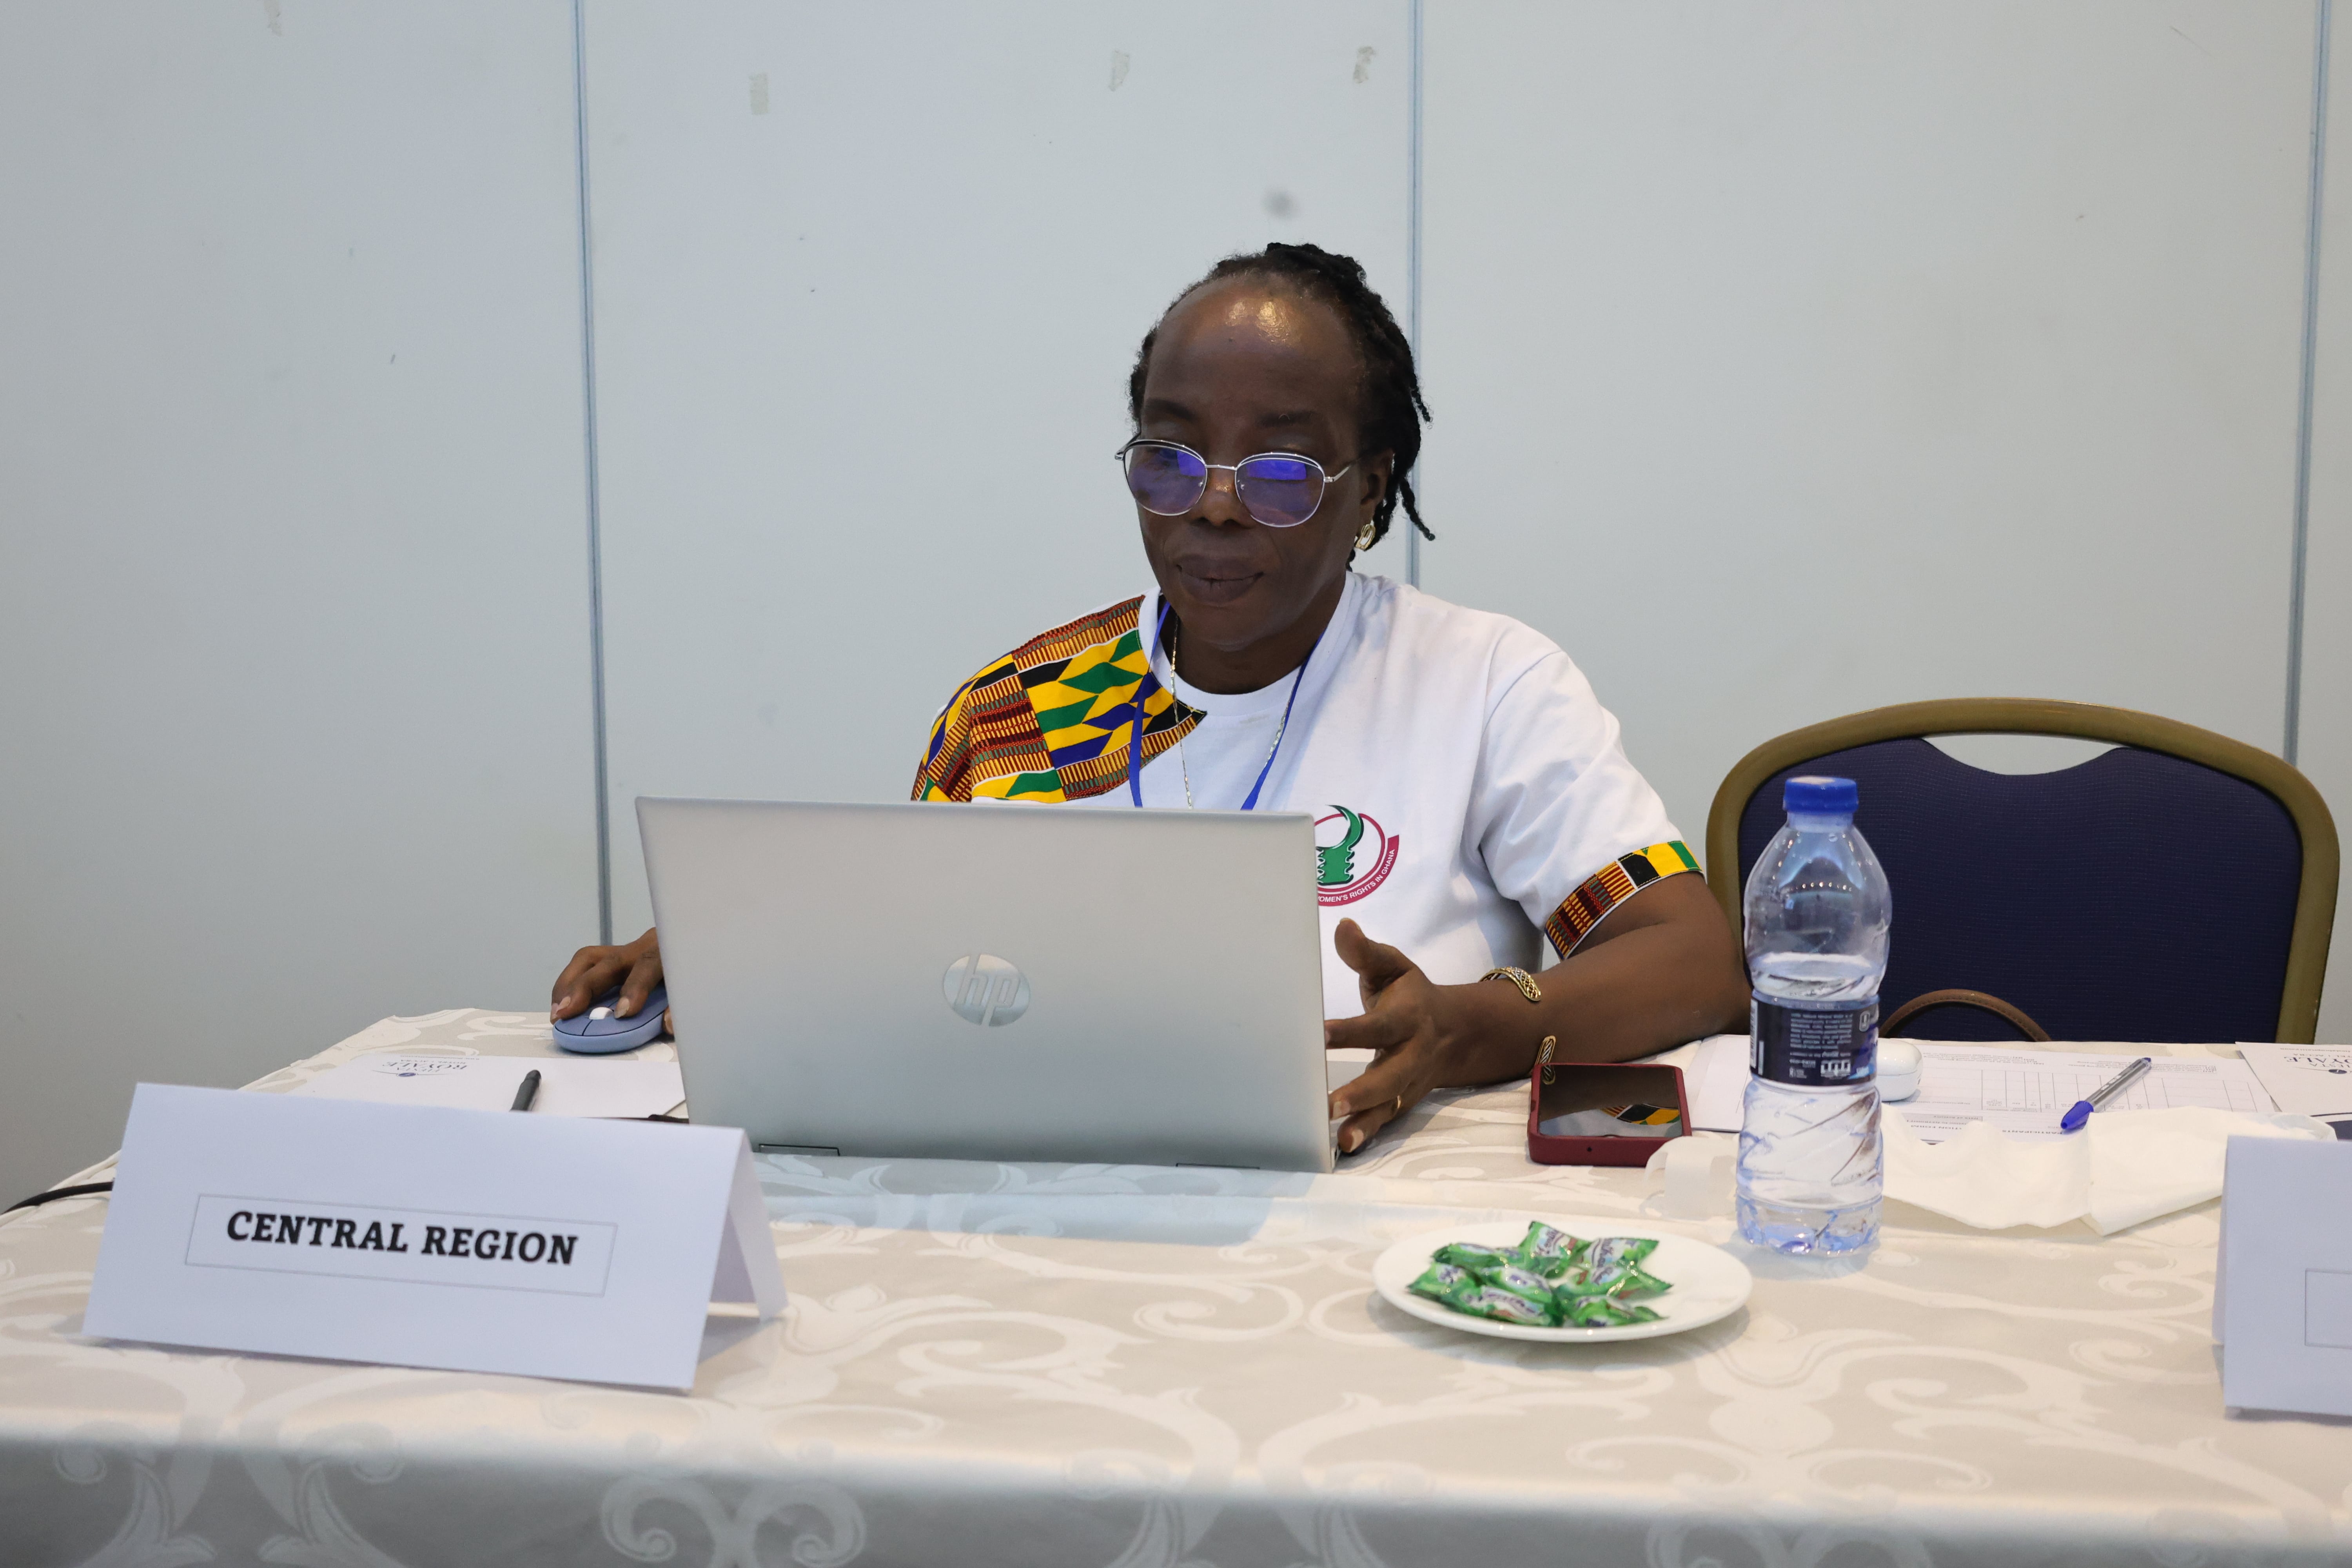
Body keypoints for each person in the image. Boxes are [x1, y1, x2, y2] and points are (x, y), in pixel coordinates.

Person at [554, 242, 1749, 1153]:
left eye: (1280, 471)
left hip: (1371, 1212)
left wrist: (1472, 1027)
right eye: (1171, 458)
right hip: (1052, 1218)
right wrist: (738, 957)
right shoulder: (1019, 708)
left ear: (1370, 490)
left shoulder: (1484, 683)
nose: (1214, 507)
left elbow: (1695, 959)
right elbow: (922, 971)